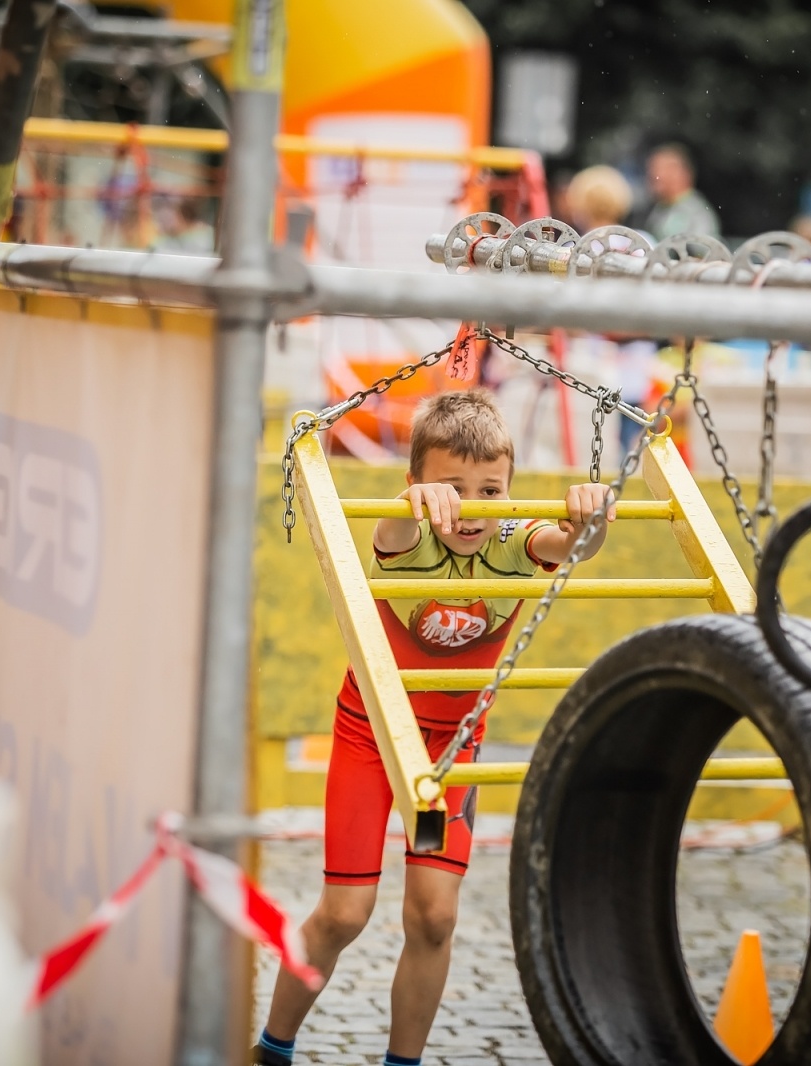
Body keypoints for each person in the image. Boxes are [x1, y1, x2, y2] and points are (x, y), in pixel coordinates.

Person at [254, 390, 617, 1066]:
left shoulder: (513, 539)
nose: (471, 507)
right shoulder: (408, 532)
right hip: (371, 739)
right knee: (344, 913)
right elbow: (389, 533)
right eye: (453, 487)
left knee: (434, 915)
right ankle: (273, 1048)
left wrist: (590, 517)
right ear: (418, 484)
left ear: (508, 490)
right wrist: (413, 503)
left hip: (444, 760)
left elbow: (573, 544)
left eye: (490, 490)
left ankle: (405, 1062)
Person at [565, 165, 664, 459]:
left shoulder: (577, 248)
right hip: (638, 365)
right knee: (633, 448)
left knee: (596, 449)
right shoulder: (644, 242)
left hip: (593, 364)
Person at [643, 143, 720, 241]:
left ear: (680, 172)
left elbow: (703, 247)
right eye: (651, 168)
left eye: (661, 169)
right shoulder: (659, 208)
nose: (654, 174)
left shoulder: (696, 212)